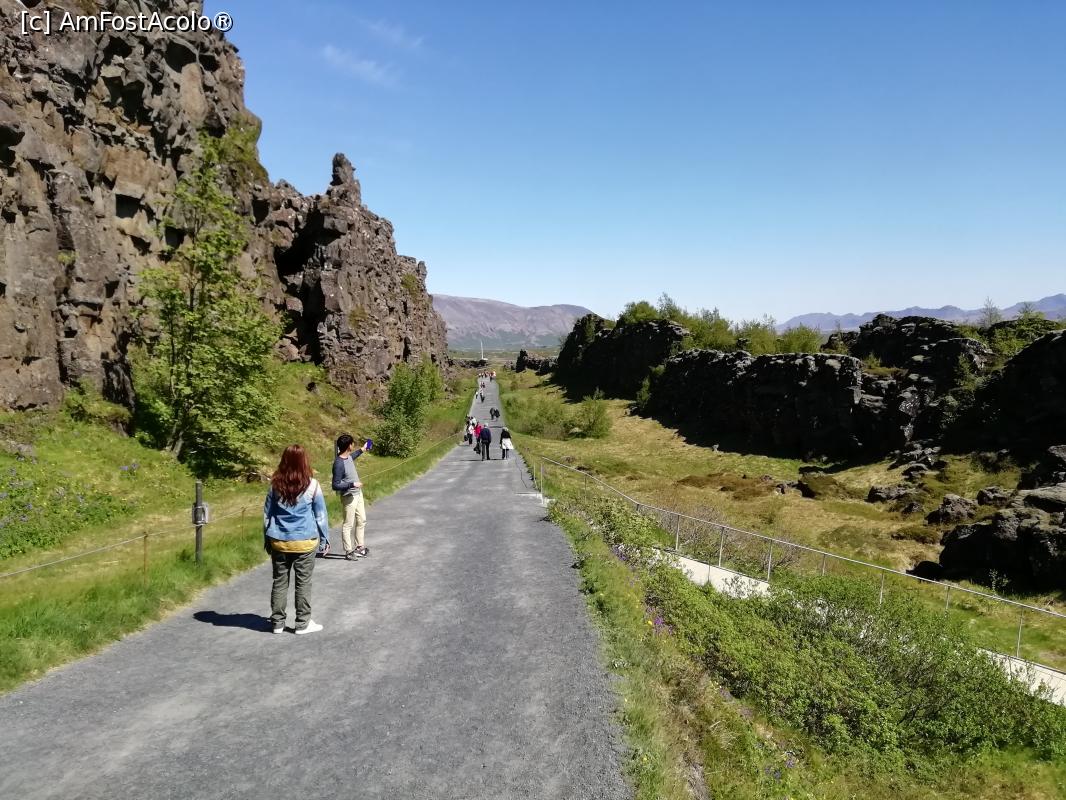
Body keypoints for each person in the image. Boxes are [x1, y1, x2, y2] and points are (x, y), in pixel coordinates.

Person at [264, 445, 328, 635]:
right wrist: (324, 539)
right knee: (303, 583)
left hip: (279, 540)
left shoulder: (275, 485)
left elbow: (267, 514)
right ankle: (302, 623)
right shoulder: (313, 485)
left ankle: (277, 623)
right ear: (304, 461)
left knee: (280, 581)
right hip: (305, 541)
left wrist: (267, 538)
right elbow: (321, 515)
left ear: (284, 461)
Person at [332, 434, 370, 560]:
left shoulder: (348, 457)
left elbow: (353, 456)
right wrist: (352, 484)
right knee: (348, 524)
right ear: (349, 446)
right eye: (352, 443)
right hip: (349, 496)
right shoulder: (338, 463)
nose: (353, 445)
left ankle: (359, 548)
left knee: (362, 520)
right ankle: (348, 551)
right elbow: (335, 485)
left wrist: (363, 449)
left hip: (358, 494)